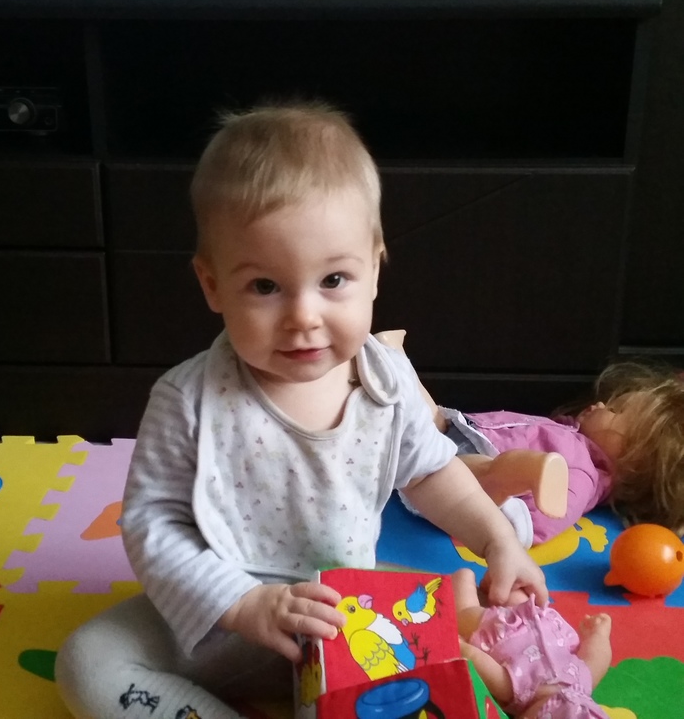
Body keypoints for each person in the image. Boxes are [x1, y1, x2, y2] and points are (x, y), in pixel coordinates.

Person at [54, 100, 546, 719]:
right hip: (223, 615)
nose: (303, 317)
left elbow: (432, 474)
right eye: (265, 286)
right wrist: (241, 604)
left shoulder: (386, 382)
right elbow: (153, 525)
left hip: (340, 613)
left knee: (410, 650)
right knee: (88, 662)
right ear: (213, 285)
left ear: (374, 268)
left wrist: (498, 540)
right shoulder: (189, 400)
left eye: (333, 280)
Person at [380, 330, 684, 546]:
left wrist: (506, 514)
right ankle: (394, 358)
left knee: (445, 456)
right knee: (432, 421)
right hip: (468, 440)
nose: (602, 404)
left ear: (633, 461)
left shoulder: (583, 475)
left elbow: (541, 522)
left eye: (615, 411)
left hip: (468, 485)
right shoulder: (573, 439)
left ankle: (510, 474)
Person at [452, 568, 612, 718]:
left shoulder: (584, 679)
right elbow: (475, 658)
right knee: (462, 616)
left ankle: (496, 582)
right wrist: (460, 645)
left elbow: (599, 656)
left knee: (513, 592)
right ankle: (464, 577)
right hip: (500, 628)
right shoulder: (517, 690)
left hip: (536, 618)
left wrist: (600, 633)